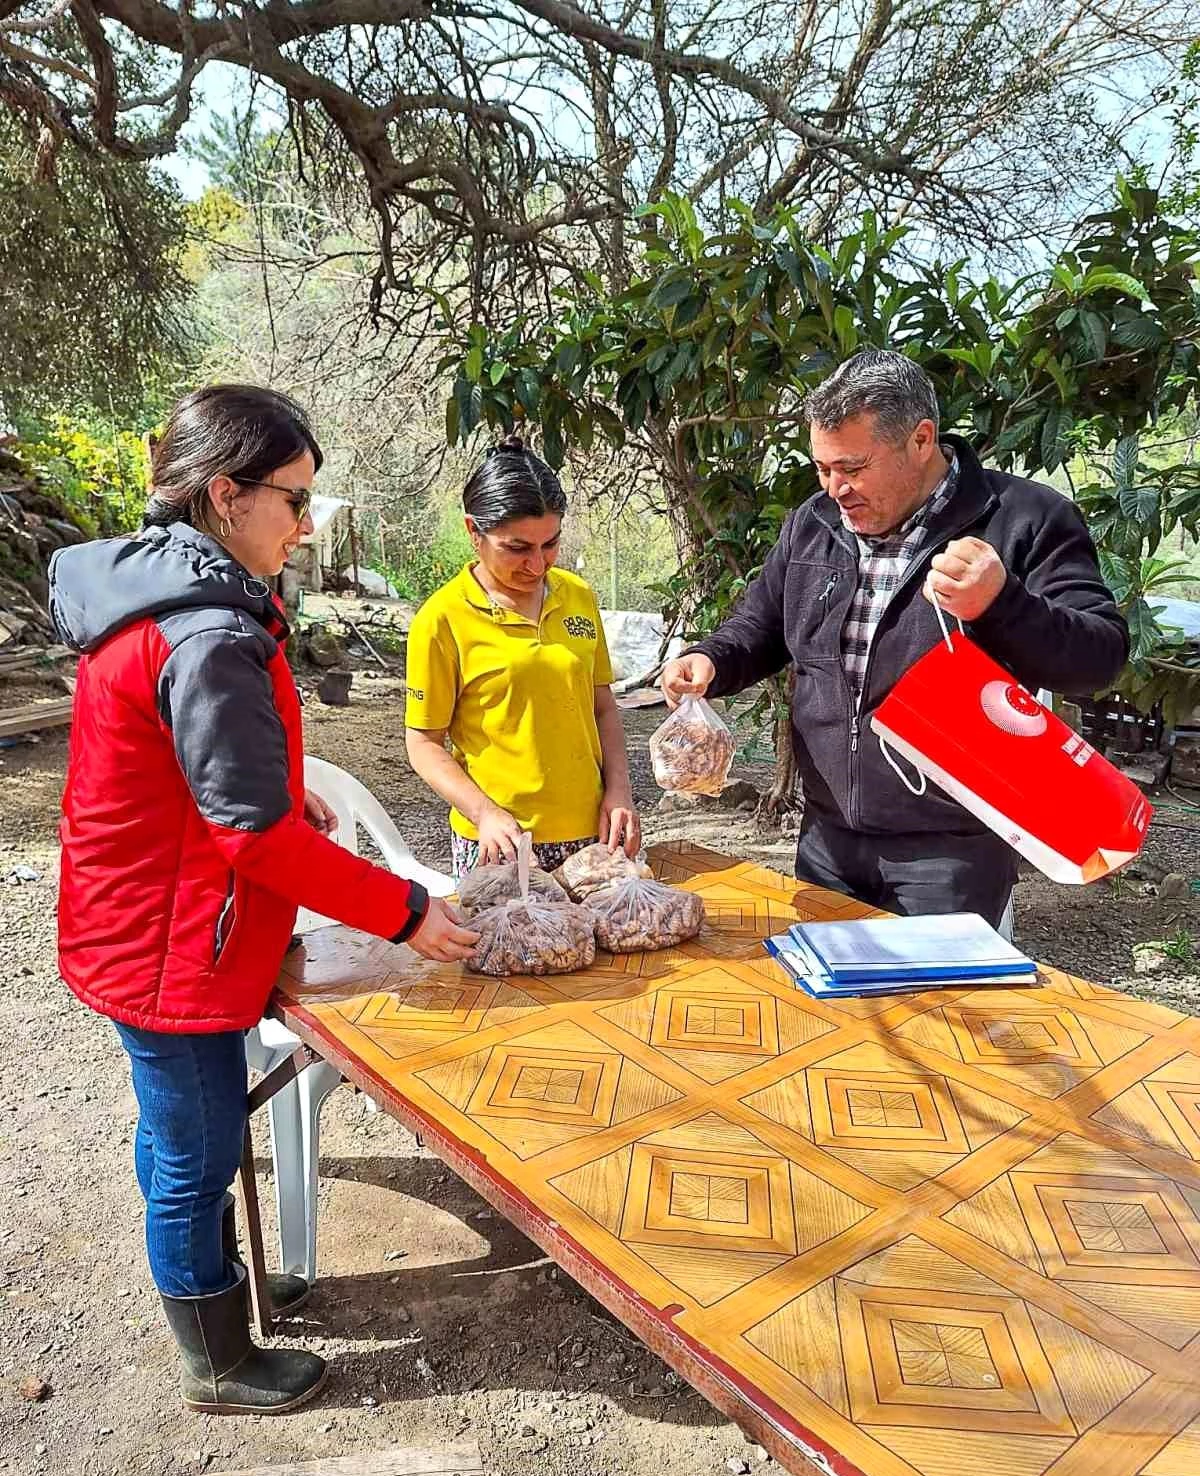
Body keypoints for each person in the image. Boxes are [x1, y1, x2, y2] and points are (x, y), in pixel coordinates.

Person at [49, 383, 477, 1417]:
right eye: (294, 500)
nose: (304, 524)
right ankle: (218, 1358)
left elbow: (212, 786)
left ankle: (223, 1300)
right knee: (193, 1148)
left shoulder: (173, 594)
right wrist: (407, 911)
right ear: (227, 495)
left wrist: (283, 803)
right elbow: (248, 833)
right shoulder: (202, 628)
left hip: (148, 913)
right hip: (166, 939)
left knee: (182, 1132)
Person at [662, 349, 1129, 925]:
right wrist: (711, 658)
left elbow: (1099, 658)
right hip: (827, 841)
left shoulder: (1024, 519)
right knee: (830, 1013)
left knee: (943, 1016)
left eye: (853, 468)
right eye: (822, 468)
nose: (835, 488)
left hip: (952, 852)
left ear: (921, 440)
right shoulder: (814, 523)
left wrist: (1003, 604)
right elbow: (760, 623)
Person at [405, 436, 640, 877]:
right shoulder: (441, 619)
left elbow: (602, 707)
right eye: (517, 549)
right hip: (502, 845)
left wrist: (620, 792)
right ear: (473, 531)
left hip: (592, 834)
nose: (537, 565)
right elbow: (422, 744)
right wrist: (484, 812)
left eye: (549, 544)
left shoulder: (578, 597)